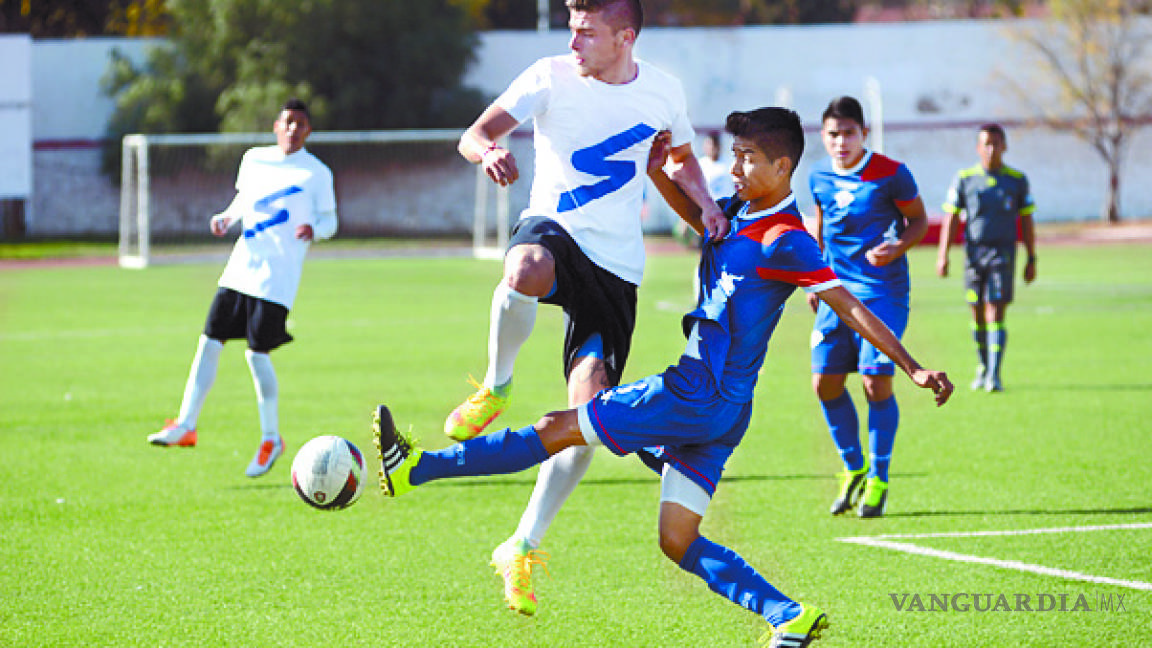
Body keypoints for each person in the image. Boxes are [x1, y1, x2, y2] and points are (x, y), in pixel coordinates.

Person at [373, 107, 953, 647]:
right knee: (677, 539)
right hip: (724, 414)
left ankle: (416, 469)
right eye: (735, 153)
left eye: (749, 156)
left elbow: (849, 305)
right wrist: (658, 173)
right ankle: (788, 616)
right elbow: (705, 219)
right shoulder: (741, 210)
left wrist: (913, 366)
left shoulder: (787, 239)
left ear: (782, 166)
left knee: (559, 427)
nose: (736, 165)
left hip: (694, 393)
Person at [449, 0, 726, 616]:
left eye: (587, 31)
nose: (574, 41)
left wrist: (704, 203)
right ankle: (496, 385)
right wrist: (486, 152)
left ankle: (520, 546)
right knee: (522, 268)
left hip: (616, 267)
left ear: (624, 37)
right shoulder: (548, 75)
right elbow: (477, 132)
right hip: (553, 230)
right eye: (572, 29)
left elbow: (679, 158)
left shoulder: (662, 91)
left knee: (587, 424)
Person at [148, 98, 337, 478]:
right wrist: (227, 217)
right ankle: (186, 425)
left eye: (301, 124)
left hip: (277, 279)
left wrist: (316, 230)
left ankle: (271, 438)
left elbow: (332, 220)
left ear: (309, 131)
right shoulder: (254, 159)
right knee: (209, 342)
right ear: (275, 126)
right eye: (288, 122)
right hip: (239, 269)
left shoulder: (317, 173)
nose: (293, 129)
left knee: (257, 354)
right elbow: (244, 199)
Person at [807, 96, 928, 519]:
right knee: (824, 384)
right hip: (835, 293)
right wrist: (812, 276)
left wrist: (899, 245)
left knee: (876, 384)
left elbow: (919, 220)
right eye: (833, 134)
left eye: (849, 134)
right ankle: (853, 467)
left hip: (882, 292)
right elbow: (818, 223)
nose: (841, 142)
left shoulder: (892, 174)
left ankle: (878, 477)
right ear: (823, 136)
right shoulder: (817, 177)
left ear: (864, 134)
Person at [937, 123, 1036, 393]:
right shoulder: (965, 178)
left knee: (996, 310)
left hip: (1003, 254)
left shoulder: (1016, 179)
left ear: (1004, 147)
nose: (991, 149)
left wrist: (1031, 258)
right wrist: (943, 255)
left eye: (996, 143)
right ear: (978, 148)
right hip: (973, 255)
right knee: (976, 312)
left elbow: (1026, 220)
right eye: (986, 144)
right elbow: (952, 218)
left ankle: (995, 373)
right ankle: (982, 366)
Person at [674, 130, 734, 247]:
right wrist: (684, 221)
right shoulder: (700, 165)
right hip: (706, 214)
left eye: (714, 145)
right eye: (709, 145)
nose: (712, 148)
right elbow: (691, 192)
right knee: (704, 249)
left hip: (727, 213)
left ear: (719, 146)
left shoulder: (729, 164)